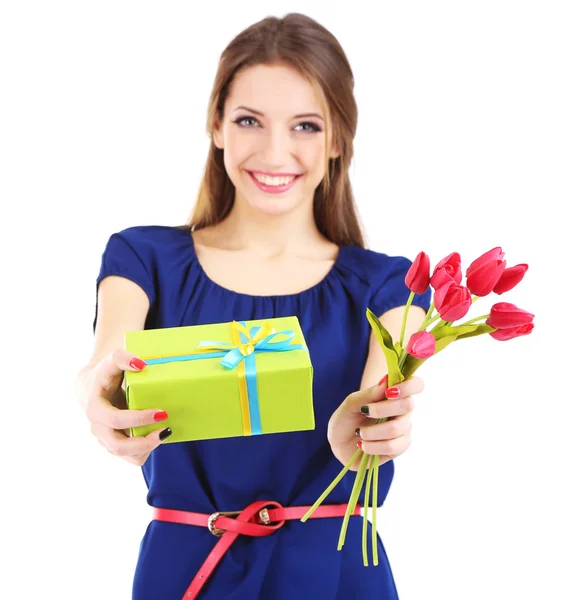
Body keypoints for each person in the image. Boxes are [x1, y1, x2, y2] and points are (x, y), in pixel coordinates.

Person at [76, 12, 431, 600]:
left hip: (334, 575)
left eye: (306, 126)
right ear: (216, 126)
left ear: (339, 138)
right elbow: (103, 361)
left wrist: (368, 433)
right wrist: (99, 398)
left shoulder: (390, 285)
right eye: (249, 121)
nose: (275, 151)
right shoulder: (142, 258)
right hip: (187, 568)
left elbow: (381, 395)